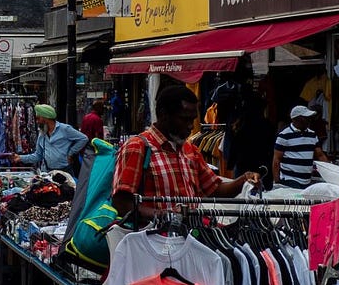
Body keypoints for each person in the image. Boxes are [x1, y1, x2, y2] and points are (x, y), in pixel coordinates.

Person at [111, 83, 260, 220]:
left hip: (189, 234)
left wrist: (243, 180)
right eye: (184, 119)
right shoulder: (137, 147)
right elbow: (122, 204)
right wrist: (165, 216)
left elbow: (215, 189)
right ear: (163, 115)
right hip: (153, 237)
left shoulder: (190, 150)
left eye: (192, 120)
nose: (190, 126)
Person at [12, 104, 89, 172]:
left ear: (46, 118)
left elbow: (83, 139)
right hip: (47, 172)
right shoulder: (42, 134)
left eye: (38, 118)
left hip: (64, 171)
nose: (37, 121)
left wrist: (71, 153)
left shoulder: (65, 129)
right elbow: (38, 155)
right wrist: (20, 158)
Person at [272, 104, 328, 189]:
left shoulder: (312, 134)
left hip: (307, 180)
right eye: (306, 118)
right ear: (296, 119)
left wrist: (330, 170)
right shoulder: (284, 135)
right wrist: (277, 181)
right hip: (289, 180)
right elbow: (276, 160)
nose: (309, 120)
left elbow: (320, 155)